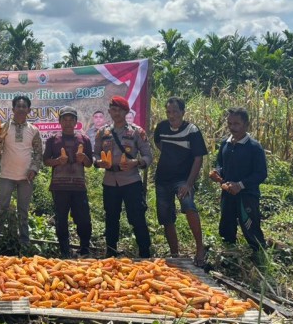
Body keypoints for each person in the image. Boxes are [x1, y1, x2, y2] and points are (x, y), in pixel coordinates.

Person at [94, 96, 152, 258]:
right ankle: (111, 253)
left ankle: (145, 253)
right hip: (110, 181)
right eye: (113, 109)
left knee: (137, 217)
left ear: (126, 112)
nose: (116, 113)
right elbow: (95, 154)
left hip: (131, 181)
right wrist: (98, 162)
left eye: (119, 110)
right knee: (111, 218)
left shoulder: (136, 132)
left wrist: (136, 162)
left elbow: (148, 157)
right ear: (109, 112)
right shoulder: (102, 133)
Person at [153, 97, 208, 265]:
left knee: (189, 206)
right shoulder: (162, 127)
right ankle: (175, 254)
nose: (172, 115)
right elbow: (159, 143)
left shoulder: (192, 130)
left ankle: (200, 249)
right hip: (162, 179)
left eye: (175, 111)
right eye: (169, 112)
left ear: (183, 112)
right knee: (166, 217)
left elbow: (198, 158)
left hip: (183, 179)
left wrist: (189, 184)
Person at [0, 95, 43, 249]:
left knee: (23, 211)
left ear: (29, 110)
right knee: (1, 208)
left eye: (24, 107)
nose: (21, 109)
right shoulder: (4, 128)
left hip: (26, 178)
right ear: (13, 109)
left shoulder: (34, 130)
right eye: (18, 106)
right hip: (7, 176)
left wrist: (34, 169)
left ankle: (25, 242)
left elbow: (38, 153)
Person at [210, 107, 268, 253]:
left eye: (236, 124)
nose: (232, 127)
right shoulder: (225, 144)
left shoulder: (254, 147)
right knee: (226, 228)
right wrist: (217, 173)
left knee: (251, 228)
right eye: (229, 124)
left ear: (246, 124)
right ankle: (229, 257)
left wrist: (241, 185)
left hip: (247, 195)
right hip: (228, 193)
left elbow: (261, 173)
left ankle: (259, 257)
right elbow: (220, 164)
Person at [43, 107, 93, 258]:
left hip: (78, 186)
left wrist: (84, 158)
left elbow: (90, 163)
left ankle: (84, 248)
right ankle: (65, 250)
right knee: (61, 219)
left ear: (76, 122)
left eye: (71, 119)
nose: (68, 122)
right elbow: (46, 161)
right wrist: (58, 161)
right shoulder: (53, 140)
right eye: (65, 119)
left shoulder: (84, 139)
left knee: (83, 219)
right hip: (59, 187)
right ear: (60, 122)